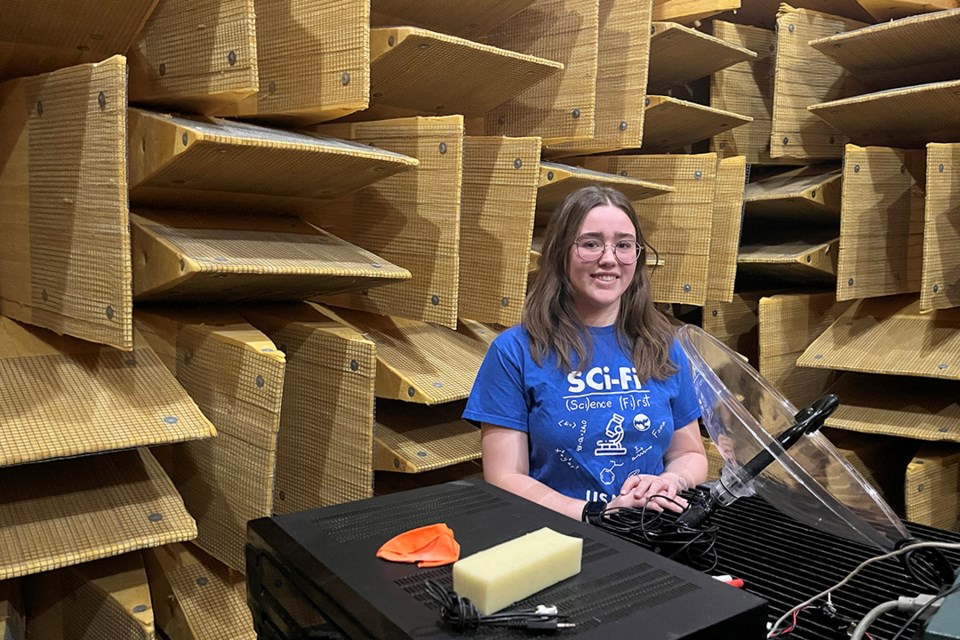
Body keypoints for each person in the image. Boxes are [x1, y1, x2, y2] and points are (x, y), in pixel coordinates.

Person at [463, 185, 707, 523]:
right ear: (561, 252)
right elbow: (505, 477)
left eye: (623, 245)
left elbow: (689, 452)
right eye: (591, 243)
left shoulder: (662, 344)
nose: (609, 259)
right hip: (561, 536)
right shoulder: (515, 351)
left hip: (652, 531)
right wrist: (596, 514)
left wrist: (670, 481)